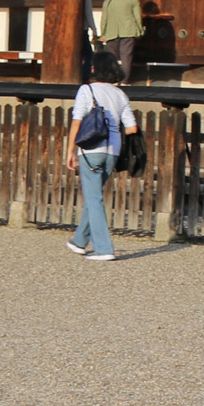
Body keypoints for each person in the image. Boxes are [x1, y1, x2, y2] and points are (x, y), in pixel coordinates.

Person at [64, 51, 136, 262]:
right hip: (113, 151)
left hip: (91, 149)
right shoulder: (120, 94)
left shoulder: (86, 90)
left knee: (94, 198)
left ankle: (104, 248)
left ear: (95, 69)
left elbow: (77, 122)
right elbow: (131, 127)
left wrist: (70, 150)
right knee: (93, 195)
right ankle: (79, 241)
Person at [99, 0, 143, 82]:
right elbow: (137, 16)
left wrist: (103, 33)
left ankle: (112, 80)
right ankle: (124, 81)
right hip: (128, 31)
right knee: (126, 57)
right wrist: (140, 29)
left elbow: (104, 19)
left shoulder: (107, 1)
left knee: (112, 58)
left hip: (111, 32)